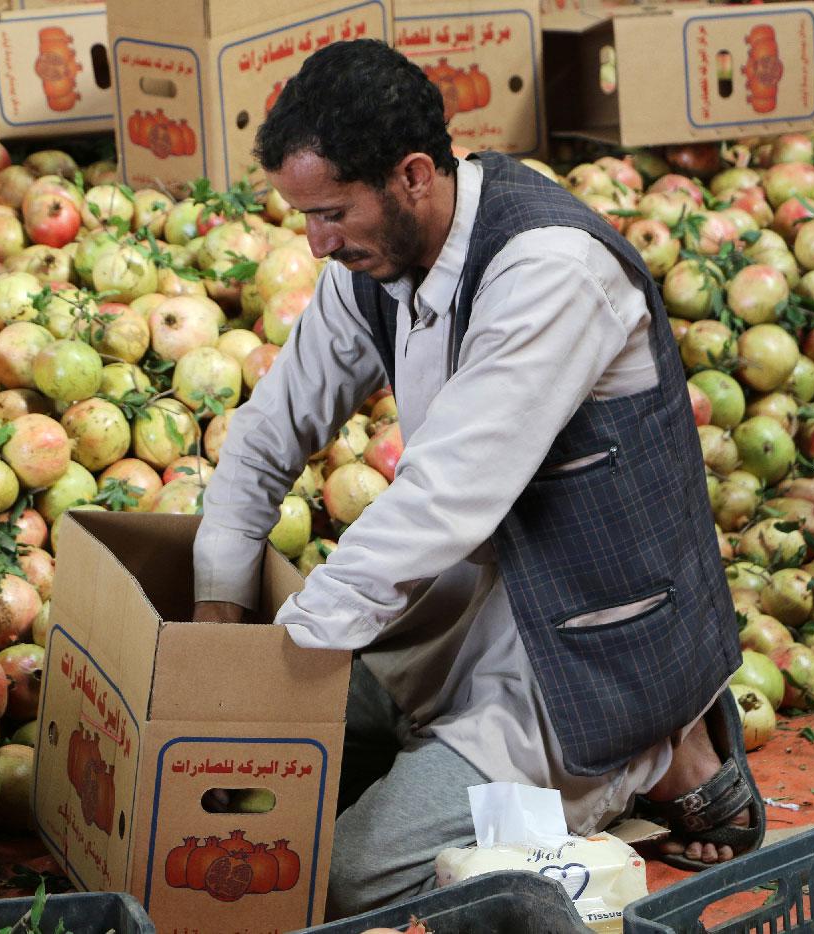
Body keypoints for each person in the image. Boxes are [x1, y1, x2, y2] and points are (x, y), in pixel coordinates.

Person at [189, 39, 763, 917]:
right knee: (272, 765)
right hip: (469, 610)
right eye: (303, 216)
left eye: (333, 212)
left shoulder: (548, 269)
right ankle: (560, 759)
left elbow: (445, 497)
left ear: (414, 175)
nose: (315, 242)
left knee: (354, 874)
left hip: (580, 644)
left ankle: (661, 751)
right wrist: (219, 618)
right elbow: (272, 427)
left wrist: (288, 649)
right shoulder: (370, 265)